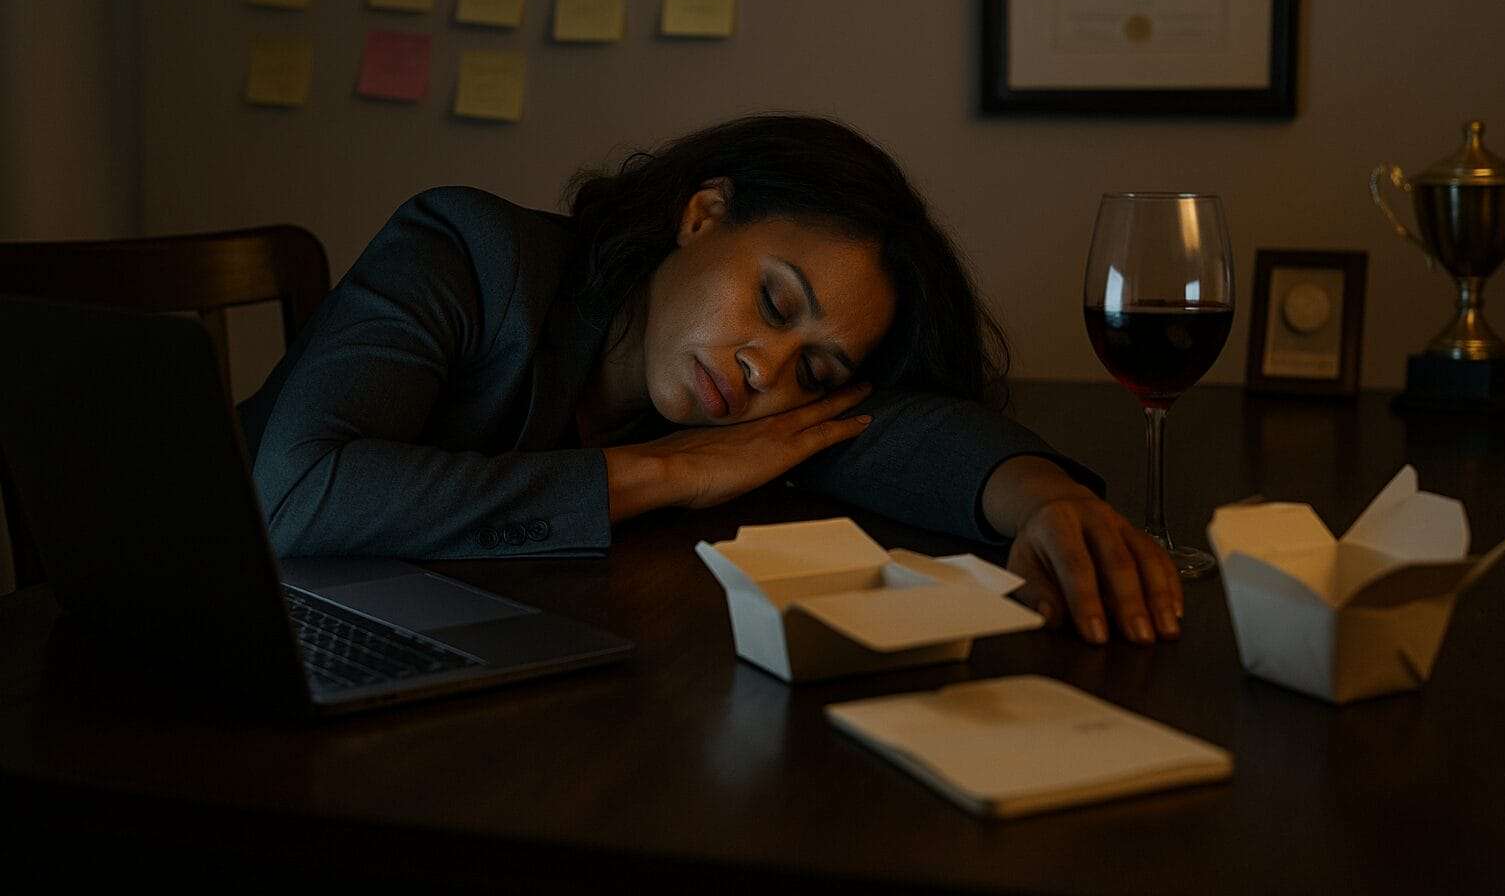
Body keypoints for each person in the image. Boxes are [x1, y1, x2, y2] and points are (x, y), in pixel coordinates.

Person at [239, 115, 1182, 646]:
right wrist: (668, 473)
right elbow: (298, 493)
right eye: (774, 303)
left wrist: (1046, 501)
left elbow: (888, 427)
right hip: (200, 637)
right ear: (702, 216)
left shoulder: (770, 403)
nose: (767, 370)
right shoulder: (471, 253)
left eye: (813, 364)